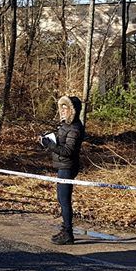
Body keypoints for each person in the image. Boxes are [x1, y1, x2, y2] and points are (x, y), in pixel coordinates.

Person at [39, 95, 85, 245]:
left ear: (73, 111)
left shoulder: (75, 128)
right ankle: (65, 229)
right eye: (62, 108)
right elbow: (60, 142)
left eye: (66, 108)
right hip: (61, 165)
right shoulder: (65, 125)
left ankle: (68, 233)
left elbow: (67, 151)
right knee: (61, 198)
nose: (63, 111)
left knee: (65, 200)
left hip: (67, 166)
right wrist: (47, 139)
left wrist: (50, 145)